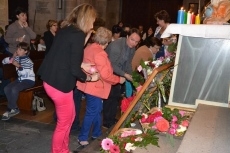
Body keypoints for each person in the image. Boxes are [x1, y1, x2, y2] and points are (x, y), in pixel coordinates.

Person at [37, 4, 99, 153]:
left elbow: (65, 54)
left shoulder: (67, 29)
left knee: (69, 118)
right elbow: (74, 68)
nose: (93, 24)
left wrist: (82, 63)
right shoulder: (77, 34)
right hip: (59, 83)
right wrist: (90, 78)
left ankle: (63, 149)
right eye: (93, 20)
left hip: (53, 78)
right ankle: (58, 151)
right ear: (87, 18)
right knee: (64, 122)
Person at [77, 27, 126, 146]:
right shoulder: (100, 53)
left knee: (97, 110)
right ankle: (82, 136)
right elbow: (106, 75)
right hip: (95, 87)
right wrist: (119, 79)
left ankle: (97, 133)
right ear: (107, 42)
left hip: (89, 85)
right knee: (92, 111)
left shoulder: (89, 47)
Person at [103, 28, 141, 129]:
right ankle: (106, 121)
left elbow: (128, 63)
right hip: (109, 72)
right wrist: (125, 74)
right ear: (127, 36)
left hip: (120, 73)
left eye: (137, 42)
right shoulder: (116, 46)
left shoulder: (132, 48)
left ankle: (111, 118)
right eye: (132, 40)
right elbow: (112, 64)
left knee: (116, 96)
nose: (134, 43)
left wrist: (131, 74)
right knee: (110, 97)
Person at [1, 42, 35, 120]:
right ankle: (14, 108)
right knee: (6, 88)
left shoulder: (28, 61)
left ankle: (10, 109)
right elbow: (4, 61)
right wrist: (13, 57)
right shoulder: (17, 58)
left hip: (28, 80)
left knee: (14, 89)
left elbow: (25, 73)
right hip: (20, 80)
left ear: (25, 51)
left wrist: (18, 66)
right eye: (17, 49)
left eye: (20, 49)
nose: (18, 51)